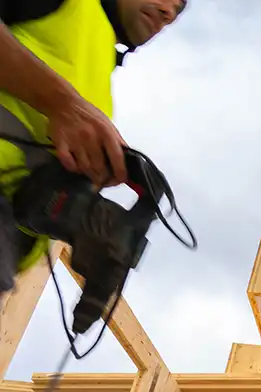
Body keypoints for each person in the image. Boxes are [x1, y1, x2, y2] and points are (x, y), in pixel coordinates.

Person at [0, 0, 186, 299]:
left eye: (177, 10)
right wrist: (62, 104)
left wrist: (80, 212)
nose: (168, 12)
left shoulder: (97, 66)